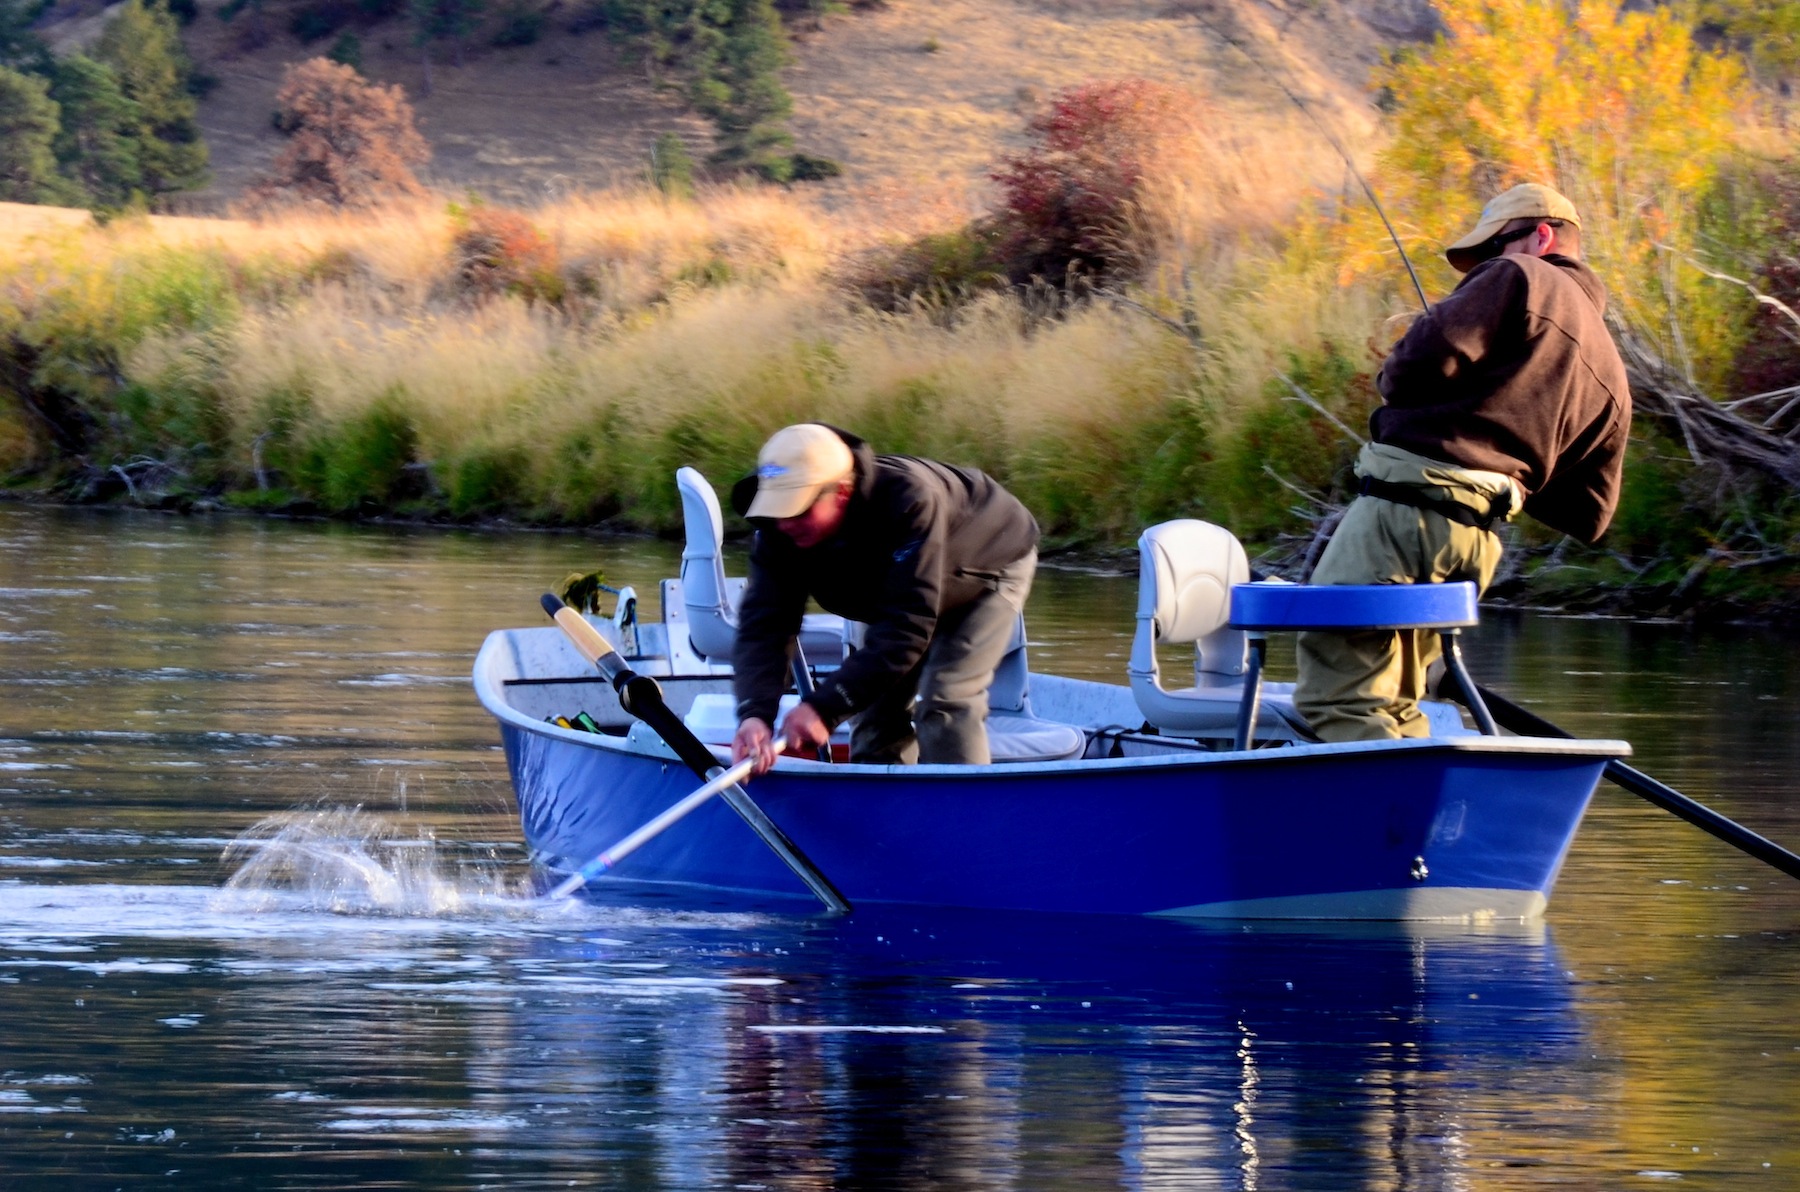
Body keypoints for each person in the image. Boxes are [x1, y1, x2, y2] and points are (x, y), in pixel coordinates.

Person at [1293, 182, 1633, 742]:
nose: (1482, 268)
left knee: (1344, 698)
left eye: (1494, 248)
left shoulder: (1519, 275)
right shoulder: (1611, 368)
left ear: (1541, 236)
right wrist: (1508, 464)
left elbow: (1408, 369)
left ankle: (1388, 827)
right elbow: (1589, 513)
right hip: (1476, 544)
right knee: (1397, 703)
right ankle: (1421, 818)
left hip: (1404, 518)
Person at [729, 423, 1040, 774]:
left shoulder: (909, 501)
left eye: (799, 509)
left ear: (842, 491)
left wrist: (824, 708)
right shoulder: (778, 528)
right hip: (901, 586)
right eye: (778, 509)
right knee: (873, 706)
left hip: (987, 562)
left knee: (946, 700)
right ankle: (883, 807)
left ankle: (966, 816)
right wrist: (754, 714)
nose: (786, 523)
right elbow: (766, 625)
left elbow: (906, 628)